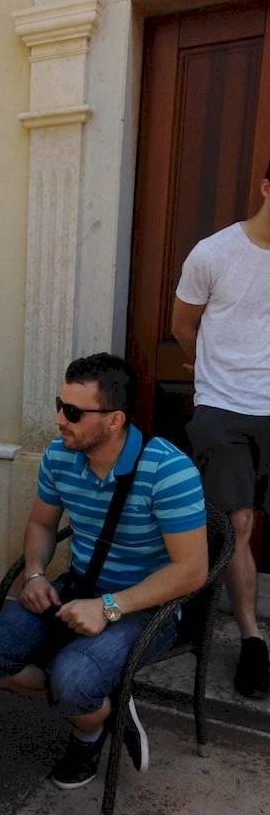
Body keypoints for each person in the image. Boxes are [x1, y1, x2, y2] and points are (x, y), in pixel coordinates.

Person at [0, 353, 208, 789]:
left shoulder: (169, 470)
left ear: (114, 420)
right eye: (59, 405)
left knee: (74, 680)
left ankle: (88, 733)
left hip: (148, 603)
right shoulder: (60, 456)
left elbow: (192, 571)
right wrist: (36, 574)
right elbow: (41, 524)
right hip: (79, 586)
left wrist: (109, 607)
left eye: (73, 412)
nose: (60, 420)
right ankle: (105, 702)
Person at [172, 164, 270, 699]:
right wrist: (210, 369)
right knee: (237, 522)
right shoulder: (213, 254)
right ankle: (252, 638)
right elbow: (182, 326)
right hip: (224, 406)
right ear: (265, 188)